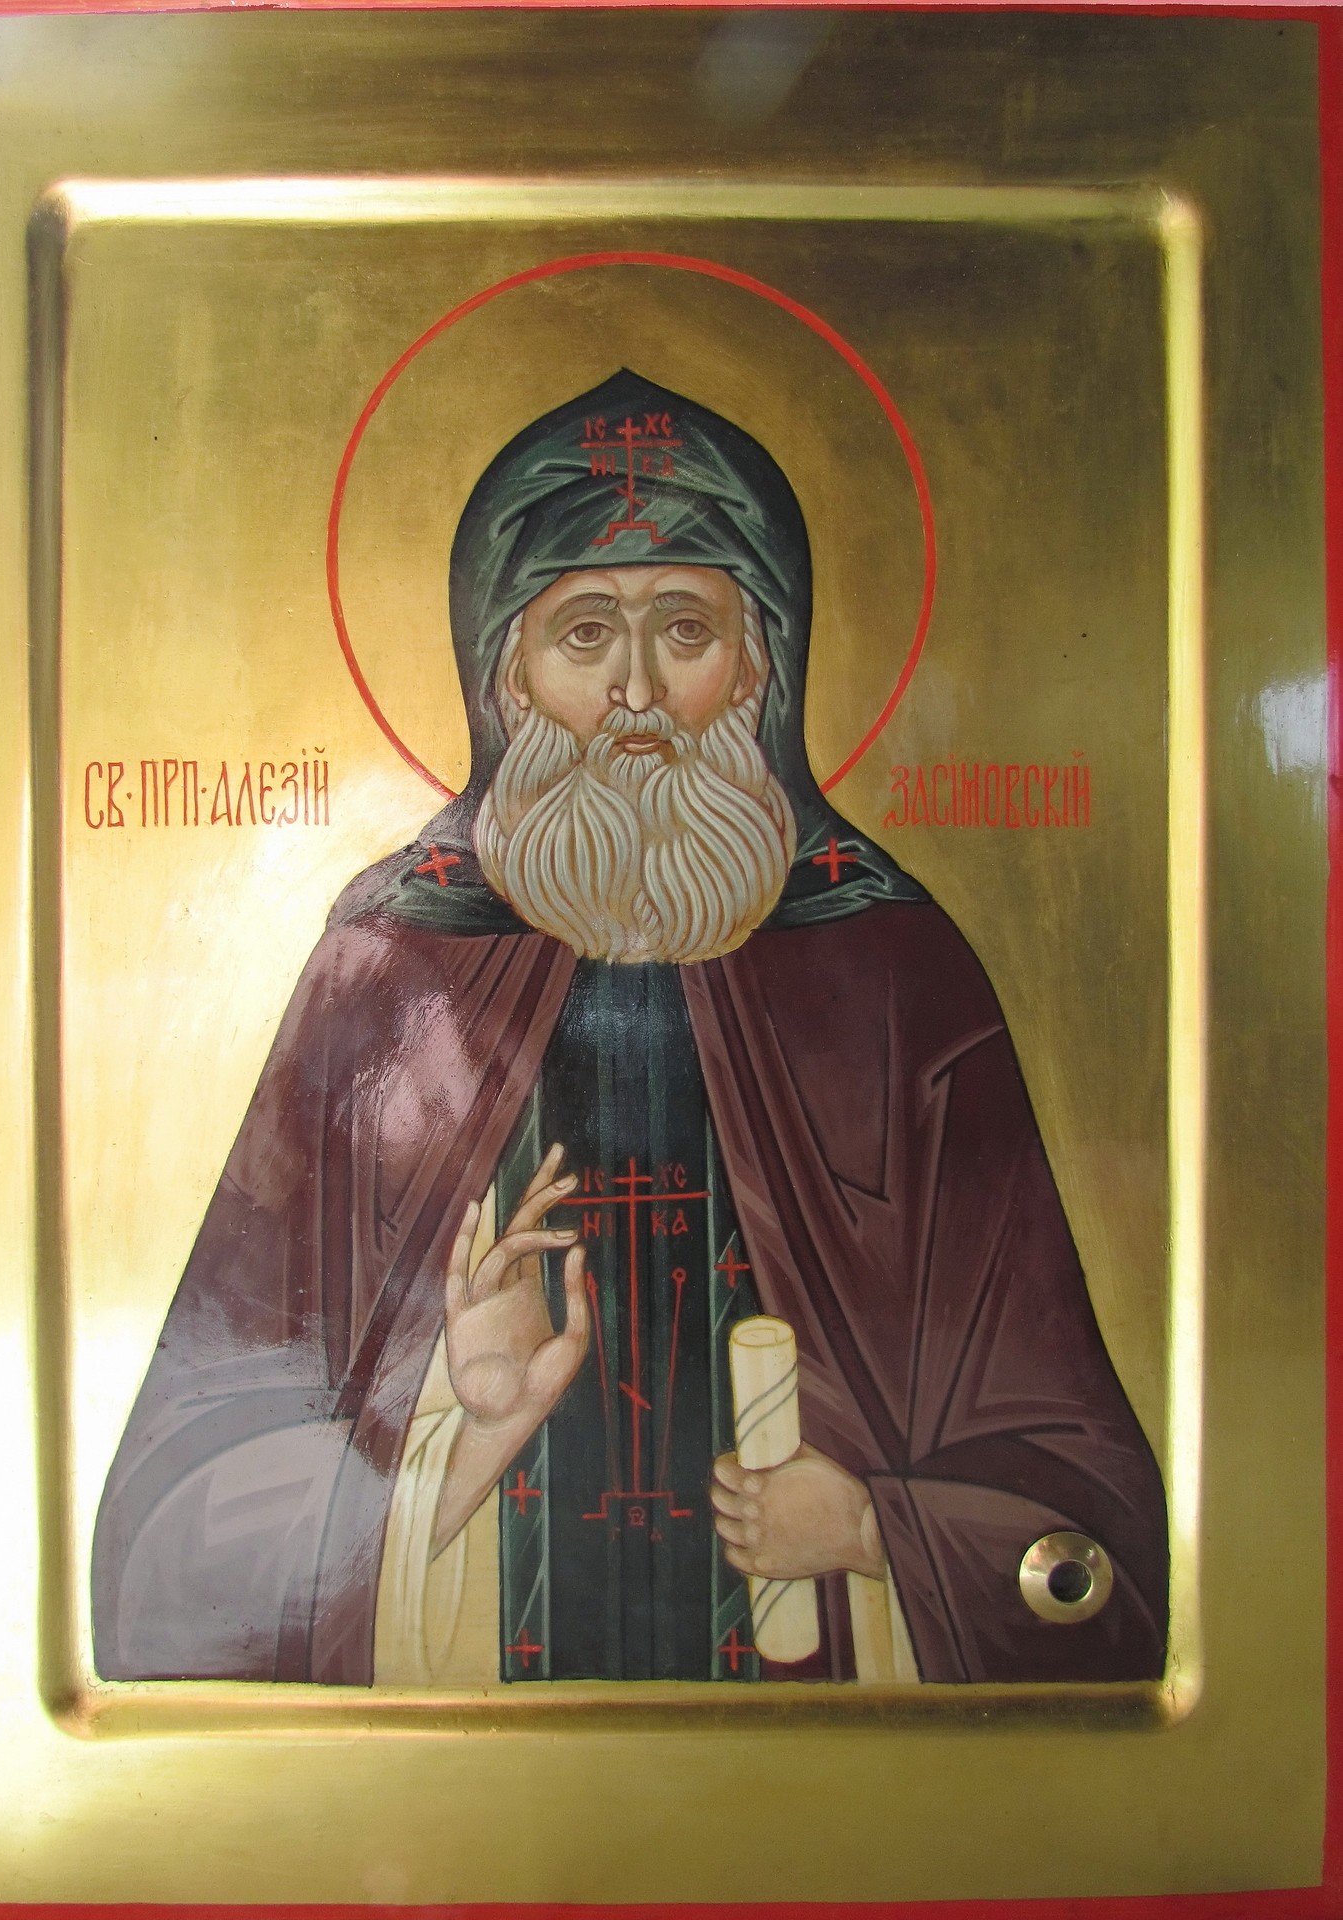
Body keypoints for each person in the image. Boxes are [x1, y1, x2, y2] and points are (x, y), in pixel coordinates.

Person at [92, 370, 1168, 1689]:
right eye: (586, 632)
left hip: (831, 1755)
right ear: (509, 675)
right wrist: (450, 1436)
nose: (638, 691)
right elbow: (170, 1545)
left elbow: (1083, 1514)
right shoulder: (390, 970)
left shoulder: (890, 969)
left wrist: (879, 1531)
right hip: (468, 1767)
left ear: (760, 666)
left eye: (687, 628)